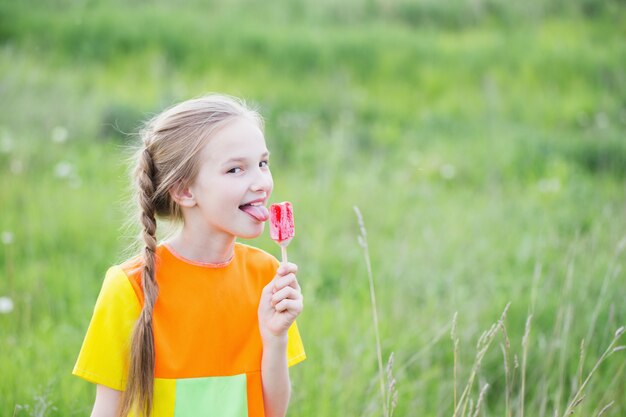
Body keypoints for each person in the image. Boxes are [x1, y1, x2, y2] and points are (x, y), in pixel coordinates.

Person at [73, 94, 306, 417]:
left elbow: (273, 411)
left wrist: (275, 338)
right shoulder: (131, 288)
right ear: (184, 191)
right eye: (236, 169)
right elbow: (107, 410)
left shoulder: (267, 276)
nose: (261, 183)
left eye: (263, 163)